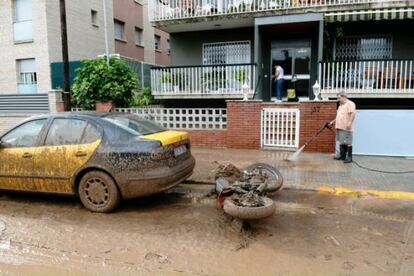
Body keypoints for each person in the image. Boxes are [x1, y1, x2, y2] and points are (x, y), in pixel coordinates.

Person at [329, 91, 356, 163]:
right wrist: (333, 122)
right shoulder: (340, 105)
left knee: (348, 142)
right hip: (339, 126)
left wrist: (349, 123)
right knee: (341, 141)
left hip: (346, 127)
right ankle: (342, 156)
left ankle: (349, 157)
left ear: (344, 97)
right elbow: (338, 116)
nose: (338, 99)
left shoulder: (350, 104)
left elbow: (352, 114)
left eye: (339, 98)